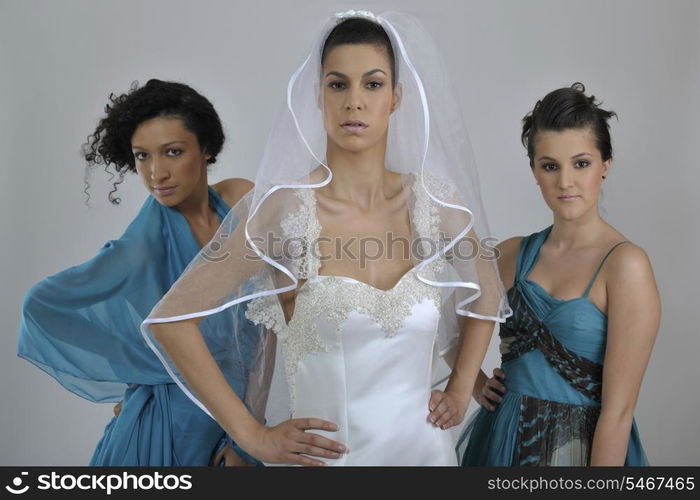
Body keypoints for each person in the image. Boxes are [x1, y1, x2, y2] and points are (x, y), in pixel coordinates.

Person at [142, 11, 510, 466]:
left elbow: (488, 288)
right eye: (338, 84)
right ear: (318, 95)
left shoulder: (436, 202)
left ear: (396, 97)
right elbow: (171, 320)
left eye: (372, 84)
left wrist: (458, 390)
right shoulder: (286, 209)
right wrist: (252, 437)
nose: (354, 102)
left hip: (427, 455)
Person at [17, 79, 257, 466]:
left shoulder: (238, 201)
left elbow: (271, 319)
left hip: (238, 424)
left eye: (173, 152)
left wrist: (247, 437)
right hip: (167, 430)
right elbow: (40, 306)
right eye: (142, 156)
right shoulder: (142, 246)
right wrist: (152, 368)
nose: (156, 173)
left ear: (206, 148)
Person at [459, 83, 659, 466]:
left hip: (580, 450)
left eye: (580, 163)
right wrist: (474, 383)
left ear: (605, 165)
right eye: (550, 166)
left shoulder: (625, 266)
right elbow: (438, 311)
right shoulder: (511, 254)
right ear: (535, 171)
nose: (565, 182)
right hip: (501, 441)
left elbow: (618, 414)